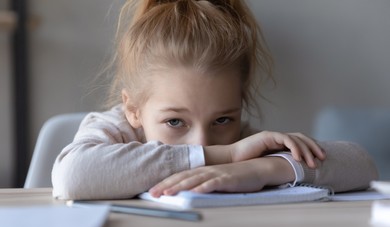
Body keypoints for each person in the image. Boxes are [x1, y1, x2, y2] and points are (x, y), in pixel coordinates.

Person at [52, 0, 377, 200]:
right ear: (133, 109)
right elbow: (73, 177)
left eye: (223, 119)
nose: (202, 139)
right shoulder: (113, 131)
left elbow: (361, 165)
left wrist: (262, 169)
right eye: (175, 122)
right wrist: (226, 154)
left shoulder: (245, 144)